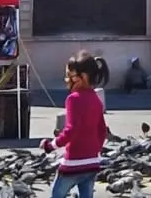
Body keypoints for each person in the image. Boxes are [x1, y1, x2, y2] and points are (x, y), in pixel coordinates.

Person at [42, 51, 110, 198]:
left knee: (57, 195)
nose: (67, 79)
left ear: (83, 76)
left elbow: (71, 130)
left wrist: (51, 145)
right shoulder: (95, 99)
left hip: (73, 163)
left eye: (70, 75)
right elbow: (102, 131)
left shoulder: (73, 99)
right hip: (92, 163)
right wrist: (93, 151)